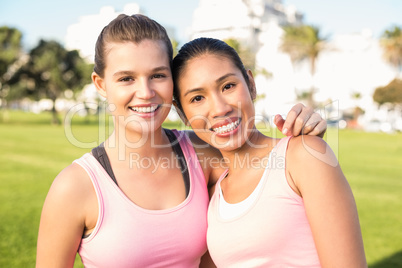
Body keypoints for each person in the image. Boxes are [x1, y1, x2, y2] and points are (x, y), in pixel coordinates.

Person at [36, 14, 327, 268]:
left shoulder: (203, 153)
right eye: (126, 78)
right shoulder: (75, 187)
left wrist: (304, 129)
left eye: (158, 75)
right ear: (101, 84)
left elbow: (269, 161)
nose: (146, 92)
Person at [172, 37, 367, 267]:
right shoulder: (213, 195)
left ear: (251, 84)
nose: (220, 108)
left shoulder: (303, 156)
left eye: (228, 86)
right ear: (182, 113)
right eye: (197, 98)